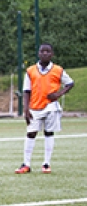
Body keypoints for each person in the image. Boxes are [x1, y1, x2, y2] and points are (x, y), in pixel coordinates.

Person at [15, 43, 74, 174]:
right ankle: (26, 164)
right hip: (35, 106)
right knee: (31, 132)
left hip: (51, 106)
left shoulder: (58, 70)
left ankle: (46, 163)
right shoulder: (31, 71)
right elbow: (26, 90)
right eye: (42, 51)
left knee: (49, 132)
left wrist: (59, 94)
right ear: (38, 53)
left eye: (48, 51)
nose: (45, 54)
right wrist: (26, 108)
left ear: (52, 54)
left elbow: (70, 83)